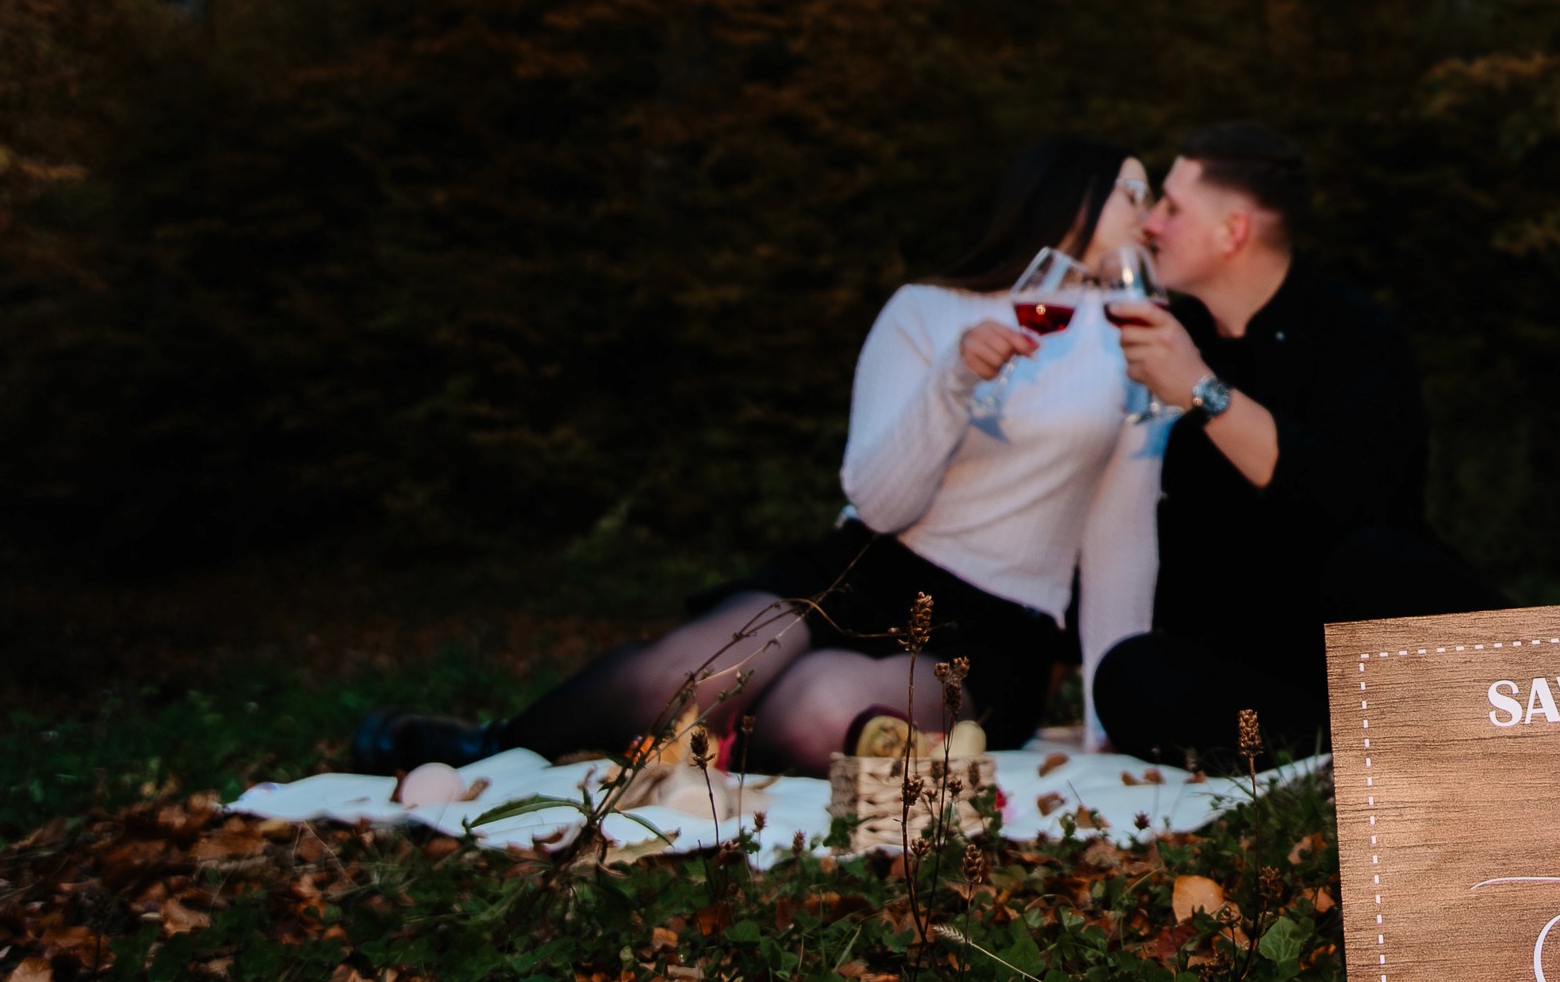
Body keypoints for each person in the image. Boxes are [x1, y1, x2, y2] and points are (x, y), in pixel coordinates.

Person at [354, 138, 1166, 773]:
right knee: (685, 678)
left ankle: (725, 753)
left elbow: (1122, 537)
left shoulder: (1131, 343)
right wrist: (952, 382)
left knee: (818, 712)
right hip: (863, 569)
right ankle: (496, 748)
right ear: (1069, 193)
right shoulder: (924, 310)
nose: (1151, 213)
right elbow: (880, 504)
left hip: (995, 627)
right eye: (1134, 191)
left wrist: (1115, 712)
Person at [1085, 122, 1488, 762]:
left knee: (1376, 562)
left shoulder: (1351, 328)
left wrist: (1202, 391)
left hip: (1371, 632)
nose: (1152, 223)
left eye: (1172, 207)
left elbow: (1355, 501)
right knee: (1130, 675)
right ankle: (1342, 749)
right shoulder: (1176, 331)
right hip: (1266, 672)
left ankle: (1483, 711)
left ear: (1233, 231)